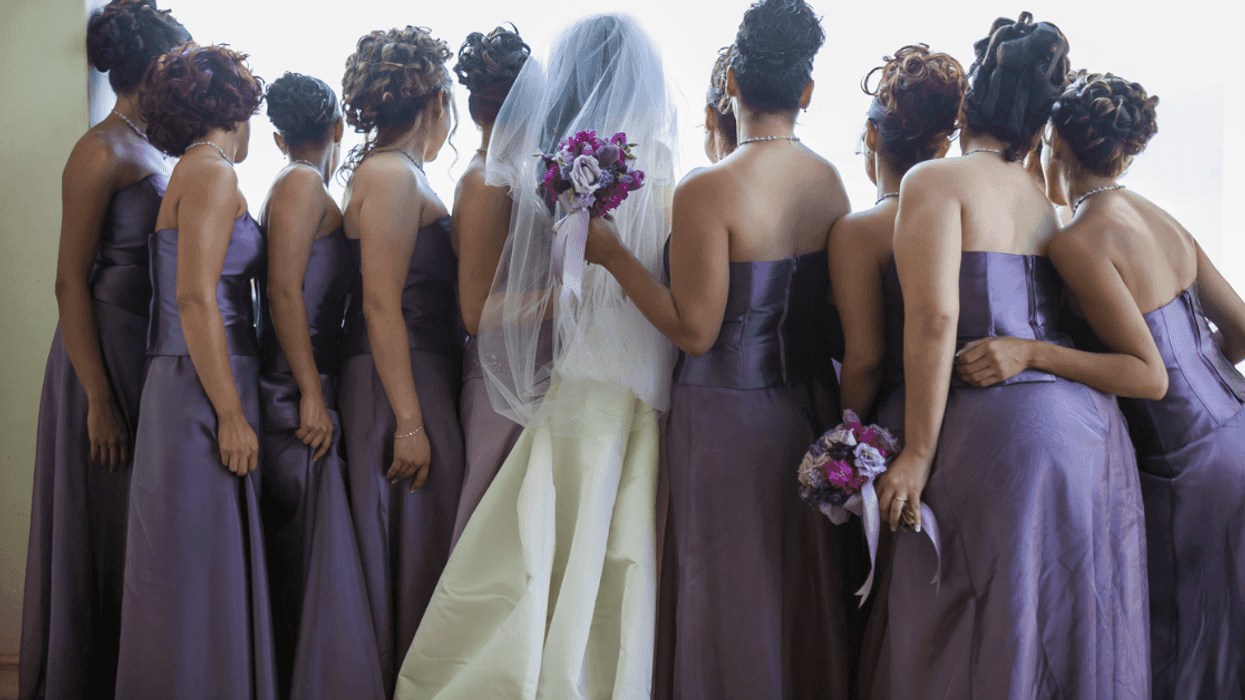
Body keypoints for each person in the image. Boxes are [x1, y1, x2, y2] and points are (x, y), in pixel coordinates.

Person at [868, 14, 1151, 698]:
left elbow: (936, 320)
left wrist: (915, 451)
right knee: (1060, 624)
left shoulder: (933, 183)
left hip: (997, 436)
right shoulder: (1044, 200)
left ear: (969, 103)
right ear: (1038, 127)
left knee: (962, 619)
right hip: (1087, 436)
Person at [394, 14, 676, 699]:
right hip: (559, 382)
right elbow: (483, 311)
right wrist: (578, 296)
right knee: (554, 551)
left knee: (581, 552)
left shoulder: (629, 171)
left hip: (607, 381)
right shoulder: (533, 179)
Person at [587, 2, 852, 697]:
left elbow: (695, 330)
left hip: (723, 419)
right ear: (807, 92)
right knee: (791, 581)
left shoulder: (708, 188)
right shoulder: (829, 182)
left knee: (725, 584)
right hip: (802, 408)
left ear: (730, 81)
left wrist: (613, 257)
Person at [956, 72, 1245, 700]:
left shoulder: (1079, 240)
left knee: (1178, 653)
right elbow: (1242, 329)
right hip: (1236, 433)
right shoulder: (1157, 215)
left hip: (1187, 471)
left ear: (1055, 147)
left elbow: (1148, 375)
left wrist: (1031, 350)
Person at [20, 2, 189, 698]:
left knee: (137, 521)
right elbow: (68, 281)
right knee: (101, 517)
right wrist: (96, 400)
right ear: (153, 68)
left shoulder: (153, 147)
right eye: (176, 67)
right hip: (98, 360)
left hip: (141, 352)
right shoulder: (100, 148)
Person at [114, 43, 276, 699]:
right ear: (234, 108)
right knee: (195, 561)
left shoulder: (191, 168)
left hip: (190, 376)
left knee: (192, 561)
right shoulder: (211, 173)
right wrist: (231, 413)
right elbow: (192, 296)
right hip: (200, 387)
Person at [825, 45, 964, 699]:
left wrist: (843, 434)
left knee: (901, 613)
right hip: (969, 425)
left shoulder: (860, 230)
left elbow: (866, 358)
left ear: (872, 136)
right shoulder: (968, 218)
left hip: (896, 438)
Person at [336, 25, 464, 696]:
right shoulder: (388, 175)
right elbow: (381, 304)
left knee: (425, 538)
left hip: (419, 373)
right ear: (438, 101)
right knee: (408, 537)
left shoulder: (399, 173)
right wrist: (410, 422)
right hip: (398, 380)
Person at [258, 72, 384, 700]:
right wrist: (309, 391)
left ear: (278, 135)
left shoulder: (291, 180)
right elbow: (282, 292)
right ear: (338, 128)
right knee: (307, 549)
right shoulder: (305, 185)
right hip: (292, 388)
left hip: (308, 379)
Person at [449, 25, 533, 546]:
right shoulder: (483, 183)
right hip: (498, 384)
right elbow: (476, 311)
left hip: (529, 374)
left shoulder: (515, 177)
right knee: (491, 534)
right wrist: (570, 295)